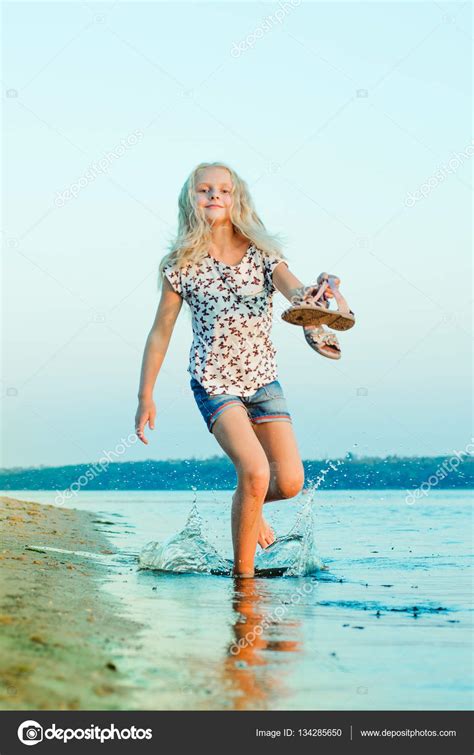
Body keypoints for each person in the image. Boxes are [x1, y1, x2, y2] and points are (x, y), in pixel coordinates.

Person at [135, 161, 344, 577]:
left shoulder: (264, 255)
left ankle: (249, 506)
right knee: (254, 471)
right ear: (189, 200)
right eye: (204, 190)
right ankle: (243, 581)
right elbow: (161, 331)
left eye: (224, 190)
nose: (215, 196)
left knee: (287, 483)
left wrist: (320, 290)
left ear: (237, 199)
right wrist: (145, 395)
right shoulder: (179, 265)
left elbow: (296, 293)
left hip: (263, 380)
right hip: (214, 382)